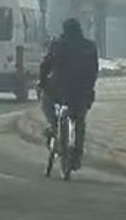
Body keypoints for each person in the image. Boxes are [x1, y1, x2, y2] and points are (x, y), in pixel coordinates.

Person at [39, 18, 100, 168]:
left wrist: (42, 82)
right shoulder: (90, 47)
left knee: (45, 101)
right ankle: (77, 154)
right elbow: (94, 71)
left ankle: (53, 126)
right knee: (80, 121)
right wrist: (89, 89)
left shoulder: (58, 44)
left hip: (58, 91)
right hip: (81, 93)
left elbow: (45, 65)